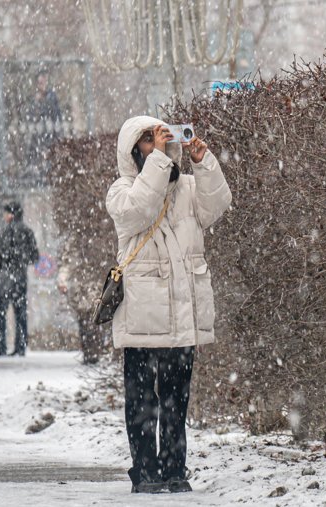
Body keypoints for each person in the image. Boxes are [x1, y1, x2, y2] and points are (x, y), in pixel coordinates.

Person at [106, 117, 232, 494]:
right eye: (146, 140)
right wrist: (160, 160)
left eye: (159, 137)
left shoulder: (187, 188)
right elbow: (138, 213)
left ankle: (175, 470)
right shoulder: (121, 190)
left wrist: (204, 162)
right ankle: (146, 473)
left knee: (177, 399)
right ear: (133, 150)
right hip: (143, 315)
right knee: (142, 400)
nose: (155, 144)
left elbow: (216, 207)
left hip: (181, 312)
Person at [0, 201, 39, 356]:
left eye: (6, 213)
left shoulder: (5, 231)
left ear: (11, 214)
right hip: (20, 276)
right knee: (20, 313)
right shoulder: (27, 231)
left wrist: (3, 264)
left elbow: (0, 256)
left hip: (5, 277)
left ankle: (0, 346)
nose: (4, 216)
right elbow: (35, 256)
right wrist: (21, 261)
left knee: (0, 312)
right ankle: (21, 346)